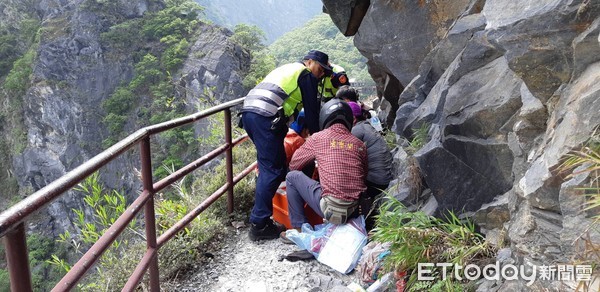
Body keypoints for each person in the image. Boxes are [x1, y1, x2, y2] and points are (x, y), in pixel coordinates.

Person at [241, 50, 331, 241]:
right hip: (265, 117)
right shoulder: (305, 75)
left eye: (325, 72)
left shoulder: (289, 69)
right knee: (272, 170)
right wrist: (319, 139)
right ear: (309, 62)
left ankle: (263, 211)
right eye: (320, 69)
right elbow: (312, 112)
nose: (321, 74)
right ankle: (259, 224)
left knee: (274, 166)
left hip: (251, 113)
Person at [282, 99, 368, 241]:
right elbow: (363, 175)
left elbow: (294, 164)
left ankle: (299, 230)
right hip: (355, 210)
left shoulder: (318, 138)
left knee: (292, 177)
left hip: (331, 210)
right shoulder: (359, 144)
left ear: (324, 118)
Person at [347, 101, 393, 230]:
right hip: (384, 178)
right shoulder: (366, 126)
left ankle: (353, 222)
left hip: (375, 181)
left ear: (353, 118)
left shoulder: (356, 130)